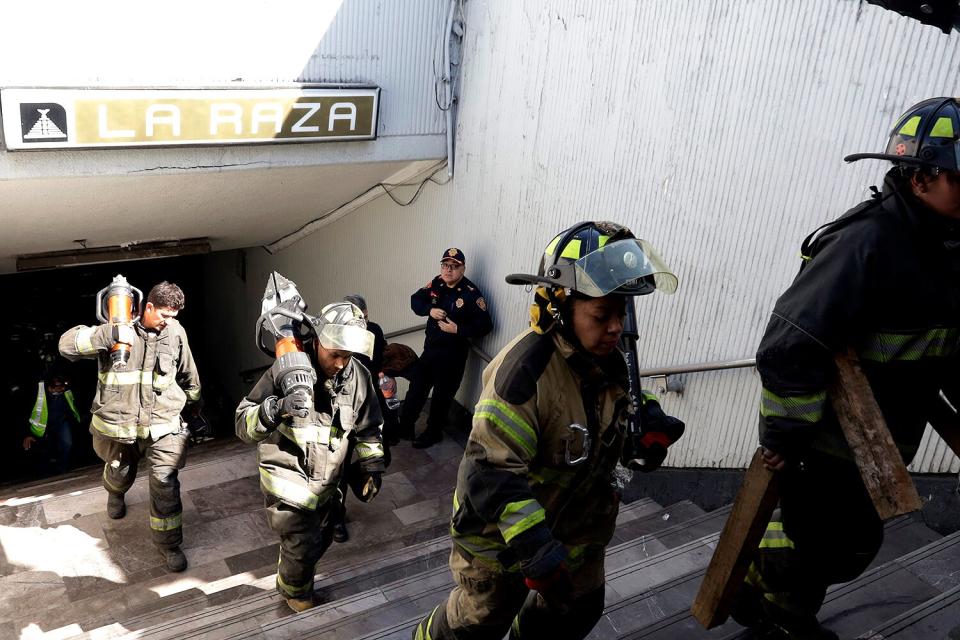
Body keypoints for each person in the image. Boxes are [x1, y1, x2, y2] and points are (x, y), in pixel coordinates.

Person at [731, 97, 960, 640]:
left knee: (851, 548)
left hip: (890, 434)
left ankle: (775, 604)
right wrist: (786, 433)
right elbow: (790, 344)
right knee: (816, 544)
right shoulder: (866, 243)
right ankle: (767, 602)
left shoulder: (948, 245)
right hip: (830, 442)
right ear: (920, 177)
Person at [412, 221, 682, 640]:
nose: (616, 327)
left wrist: (647, 422)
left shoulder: (606, 354)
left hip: (576, 528)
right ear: (558, 306)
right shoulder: (524, 374)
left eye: (620, 312)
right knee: (478, 622)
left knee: (576, 613)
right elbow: (491, 473)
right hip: (503, 541)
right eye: (602, 314)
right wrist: (535, 550)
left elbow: (616, 399)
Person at [235, 301, 386, 612]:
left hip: (330, 482)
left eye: (348, 356)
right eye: (335, 355)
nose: (342, 363)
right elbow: (242, 424)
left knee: (320, 539)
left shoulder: (358, 376)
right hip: (288, 481)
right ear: (318, 341)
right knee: (302, 547)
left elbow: (369, 426)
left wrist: (371, 467)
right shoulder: (285, 371)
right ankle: (296, 595)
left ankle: (294, 566)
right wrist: (274, 409)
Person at [59, 281, 202, 572]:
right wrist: (108, 333)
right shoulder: (116, 330)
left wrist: (196, 407)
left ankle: (169, 545)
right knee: (119, 473)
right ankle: (115, 492)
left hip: (163, 426)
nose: (168, 323)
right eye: (164, 315)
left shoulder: (175, 333)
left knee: (165, 484)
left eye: (174, 317)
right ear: (148, 307)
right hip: (119, 429)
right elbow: (66, 346)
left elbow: (189, 374)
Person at [400, 248, 493, 448]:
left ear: (463, 269)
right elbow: (415, 300)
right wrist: (430, 310)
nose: (448, 270)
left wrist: (458, 329)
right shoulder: (437, 283)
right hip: (431, 350)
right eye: (445, 265)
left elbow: (486, 325)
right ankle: (405, 426)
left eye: (454, 266)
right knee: (416, 389)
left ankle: (433, 433)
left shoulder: (471, 294)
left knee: (442, 398)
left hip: (452, 357)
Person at [330, 293, 391, 544]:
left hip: (370, 407)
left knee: (382, 455)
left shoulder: (374, 331)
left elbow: (380, 362)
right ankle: (336, 519)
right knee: (338, 470)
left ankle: (357, 477)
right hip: (342, 411)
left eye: (362, 319)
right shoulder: (333, 339)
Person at [23, 372, 82, 475]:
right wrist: (27, 434)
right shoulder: (38, 393)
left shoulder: (66, 391)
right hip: (43, 426)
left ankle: (62, 467)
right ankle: (45, 471)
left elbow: (74, 404)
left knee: (67, 443)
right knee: (45, 449)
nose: (62, 389)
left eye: (63, 386)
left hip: (62, 422)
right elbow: (26, 413)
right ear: (50, 387)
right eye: (59, 387)